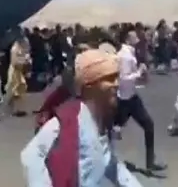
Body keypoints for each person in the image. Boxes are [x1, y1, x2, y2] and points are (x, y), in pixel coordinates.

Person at [20, 49, 143, 186]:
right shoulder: (66, 122)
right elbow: (31, 156)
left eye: (116, 77)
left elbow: (110, 163)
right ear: (90, 85)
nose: (116, 83)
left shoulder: (103, 121)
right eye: (109, 79)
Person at [113, 30, 166, 171]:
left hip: (131, 97)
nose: (137, 37)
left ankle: (150, 162)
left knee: (148, 125)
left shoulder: (129, 53)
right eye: (134, 35)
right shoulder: (125, 56)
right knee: (110, 131)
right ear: (128, 39)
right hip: (125, 99)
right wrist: (139, 72)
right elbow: (124, 78)